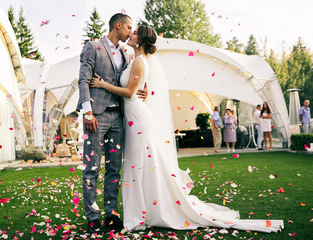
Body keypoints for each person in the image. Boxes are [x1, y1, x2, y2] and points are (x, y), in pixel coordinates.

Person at [91, 25, 283, 233]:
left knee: (137, 166)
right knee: (139, 165)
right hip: (132, 116)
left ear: (142, 41)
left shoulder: (139, 62)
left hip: (137, 118)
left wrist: (103, 85)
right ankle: (144, 210)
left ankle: (138, 216)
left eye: (135, 33)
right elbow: (139, 88)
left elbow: (129, 92)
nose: (131, 34)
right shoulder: (134, 60)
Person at [76, 13, 147, 235]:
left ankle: (111, 214)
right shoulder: (93, 46)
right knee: (92, 168)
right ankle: (92, 217)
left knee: (114, 169)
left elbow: (128, 82)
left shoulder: (127, 53)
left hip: (119, 118)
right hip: (96, 115)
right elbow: (84, 79)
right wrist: (88, 113)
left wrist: (141, 90)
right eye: (129, 27)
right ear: (119, 26)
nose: (130, 32)